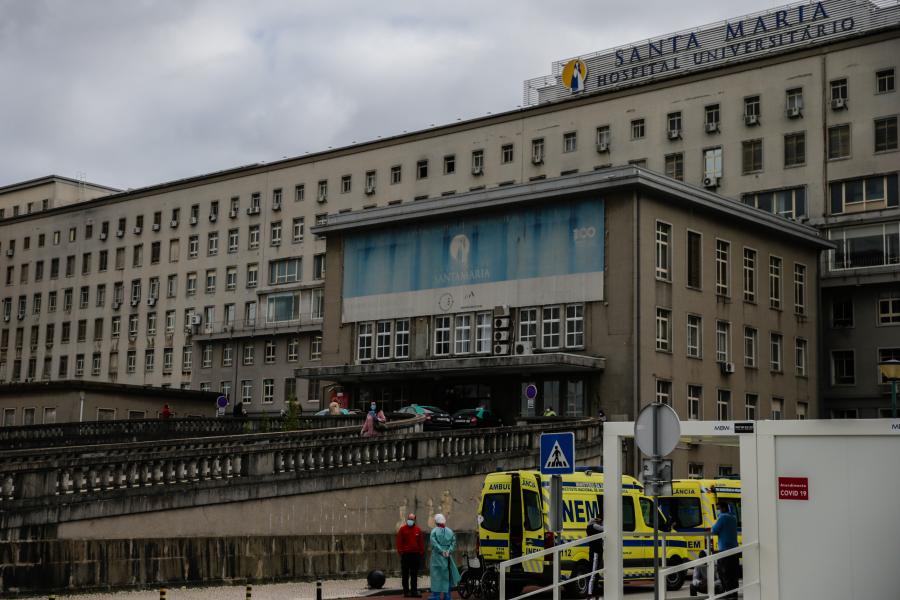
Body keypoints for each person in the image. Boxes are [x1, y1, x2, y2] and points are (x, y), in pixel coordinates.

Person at [711, 500, 739, 599]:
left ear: (723, 508)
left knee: (723, 572)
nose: (717, 511)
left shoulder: (722, 518)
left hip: (724, 550)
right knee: (733, 574)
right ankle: (734, 594)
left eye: (718, 509)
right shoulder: (733, 518)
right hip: (734, 550)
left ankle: (727, 594)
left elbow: (714, 530)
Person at [428, 514, 460, 600]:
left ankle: (436, 596)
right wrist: (448, 551)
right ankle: (447, 595)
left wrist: (441, 551)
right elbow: (453, 543)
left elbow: (434, 544)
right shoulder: (450, 531)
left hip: (437, 557)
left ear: (436, 522)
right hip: (447, 557)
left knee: (436, 576)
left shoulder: (434, 531)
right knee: (447, 576)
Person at [396, 512, 425, 597]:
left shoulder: (418, 530)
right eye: (409, 519)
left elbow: (421, 542)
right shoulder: (402, 529)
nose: (410, 520)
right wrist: (401, 552)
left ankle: (414, 591)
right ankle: (406, 591)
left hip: (415, 555)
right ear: (407, 519)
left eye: (412, 519)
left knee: (414, 574)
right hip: (406, 555)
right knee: (405, 574)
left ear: (414, 520)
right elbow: (399, 542)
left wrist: (421, 552)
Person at [586, 515, 604, 599]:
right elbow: (605, 528)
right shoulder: (593, 526)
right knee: (593, 573)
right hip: (595, 553)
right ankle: (589, 594)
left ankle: (595, 593)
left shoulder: (591, 527)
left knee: (595, 574)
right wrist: (600, 521)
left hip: (595, 552)